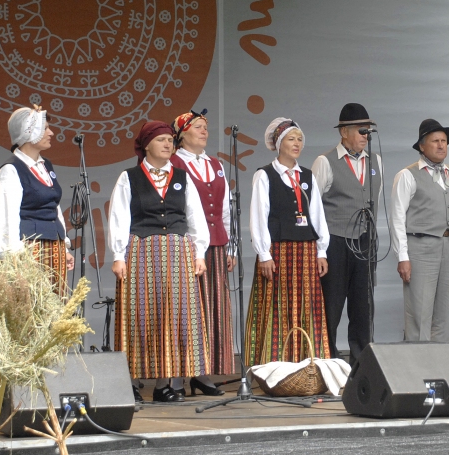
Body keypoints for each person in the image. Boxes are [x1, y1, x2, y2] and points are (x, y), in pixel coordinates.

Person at [109, 121, 211, 403]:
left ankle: (164, 384)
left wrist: (199, 252)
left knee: (173, 316)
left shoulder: (181, 176)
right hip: (141, 250)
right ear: (146, 146)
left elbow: (195, 216)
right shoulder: (129, 177)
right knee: (140, 315)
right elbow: (119, 218)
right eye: (161, 140)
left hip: (178, 252)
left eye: (170, 140)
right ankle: (130, 382)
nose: (168, 144)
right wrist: (118, 255)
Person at [244, 118, 330, 367]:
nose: (297, 144)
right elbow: (258, 216)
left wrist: (321, 250)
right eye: (291, 139)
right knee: (278, 306)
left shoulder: (307, 176)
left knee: (307, 306)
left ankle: (309, 365)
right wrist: (264, 254)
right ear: (279, 143)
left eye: (300, 139)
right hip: (279, 251)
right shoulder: (265, 175)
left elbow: (317, 215)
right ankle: (275, 365)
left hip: (305, 251)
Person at [390, 119, 449, 342]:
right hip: (421, 247)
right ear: (421, 146)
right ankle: (417, 371)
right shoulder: (407, 175)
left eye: (444, 141)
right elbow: (397, 219)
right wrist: (403, 257)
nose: (441, 146)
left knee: (446, 313)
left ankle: (440, 368)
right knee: (419, 313)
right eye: (435, 141)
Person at [170, 109, 236, 396]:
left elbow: (224, 208)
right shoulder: (172, 162)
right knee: (187, 309)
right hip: (188, 246)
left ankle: (202, 373)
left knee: (212, 309)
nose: (204, 130)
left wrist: (230, 243)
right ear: (182, 133)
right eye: (197, 126)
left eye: (205, 126)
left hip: (217, 245)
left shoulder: (216, 164)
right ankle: (175, 377)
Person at [311, 103, 382, 363]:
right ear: (344, 132)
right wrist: (320, 248)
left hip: (365, 240)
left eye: (368, 129)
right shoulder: (325, 162)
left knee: (363, 307)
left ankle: (361, 364)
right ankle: (326, 361)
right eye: (360, 129)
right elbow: (313, 208)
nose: (366, 134)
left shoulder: (376, 161)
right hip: (335, 242)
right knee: (332, 305)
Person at [0, 105, 73, 294]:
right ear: (29, 132)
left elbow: (54, 206)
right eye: (45, 128)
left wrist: (64, 244)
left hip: (53, 248)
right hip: (29, 251)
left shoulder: (45, 165)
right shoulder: (11, 169)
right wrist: (13, 260)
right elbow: (8, 218)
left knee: (55, 308)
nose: (51, 133)